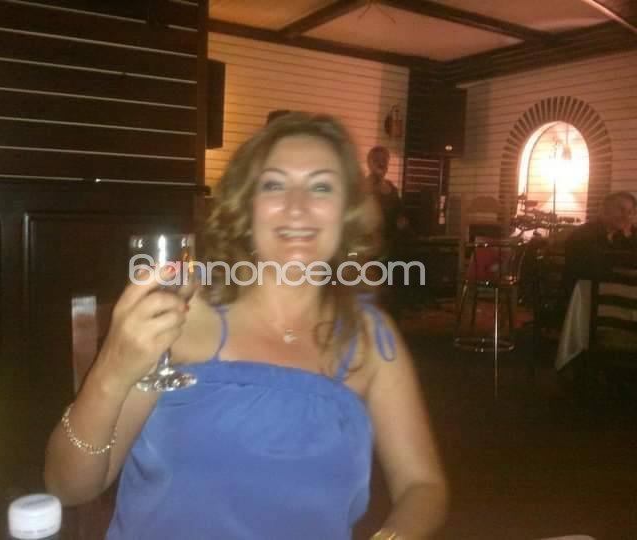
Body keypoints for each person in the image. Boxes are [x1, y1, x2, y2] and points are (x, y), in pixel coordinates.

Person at [44, 113, 447, 539]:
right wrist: (111, 368)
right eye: (273, 185)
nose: (296, 206)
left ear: (346, 213)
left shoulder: (370, 336)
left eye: (321, 187)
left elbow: (423, 485)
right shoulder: (179, 310)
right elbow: (67, 486)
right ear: (246, 207)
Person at [562, 191, 637, 295]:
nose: (626, 216)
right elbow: (598, 269)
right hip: (585, 295)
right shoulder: (584, 235)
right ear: (604, 210)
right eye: (621, 209)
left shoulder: (622, 234)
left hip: (618, 292)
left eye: (630, 212)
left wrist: (630, 237)